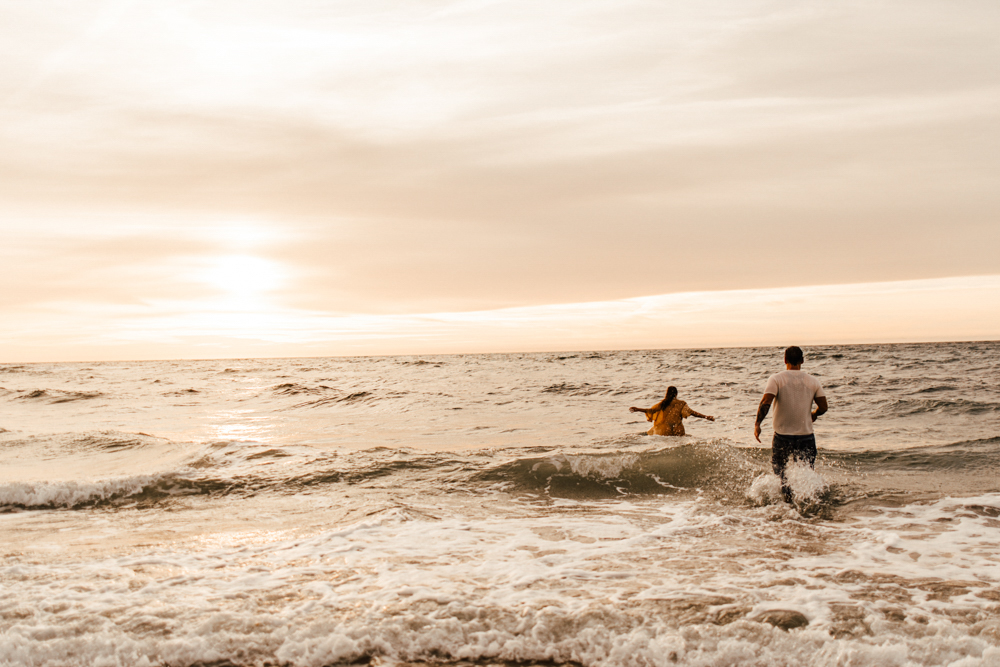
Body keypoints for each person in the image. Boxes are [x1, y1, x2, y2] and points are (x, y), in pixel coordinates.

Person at [754, 345, 829, 503]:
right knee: (806, 473)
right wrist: (813, 414)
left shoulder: (776, 379)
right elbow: (823, 407)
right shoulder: (813, 381)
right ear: (802, 360)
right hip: (806, 437)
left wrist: (757, 424)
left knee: (780, 473)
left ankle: (786, 503)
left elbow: (765, 402)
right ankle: (806, 502)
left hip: (782, 437)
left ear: (785, 360)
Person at [629, 386, 715, 436]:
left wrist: (637, 409)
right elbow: (692, 413)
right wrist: (706, 417)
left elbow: (651, 411)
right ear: (676, 394)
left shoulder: (663, 403)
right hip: (677, 430)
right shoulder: (681, 404)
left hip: (664, 430)